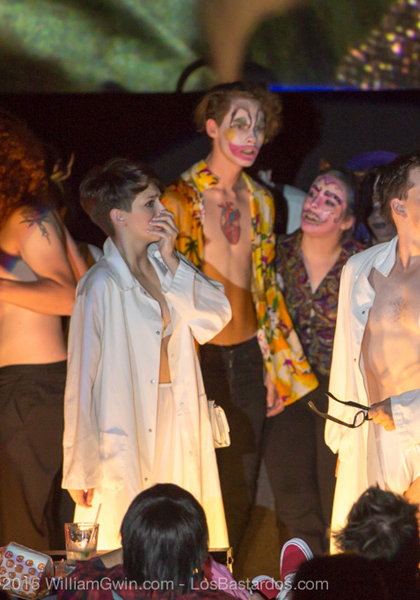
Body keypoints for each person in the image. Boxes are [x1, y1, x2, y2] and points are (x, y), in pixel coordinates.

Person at [161, 81, 318, 553]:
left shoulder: (262, 200)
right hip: (200, 359)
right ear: (212, 127)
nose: (252, 136)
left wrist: (274, 362)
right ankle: (195, 575)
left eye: (259, 126)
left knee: (243, 487)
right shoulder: (179, 199)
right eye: (240, 124)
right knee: (201, 480)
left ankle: (227, 576)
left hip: (249, 357)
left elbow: (265, 287)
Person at [324, 149, 420, 593]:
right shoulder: (360, 269)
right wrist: (342, 440)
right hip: (375, 437)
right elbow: (347, 358)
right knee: (372, 574)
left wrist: (409, 409)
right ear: (399, 206)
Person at [63, 158, 231, 550]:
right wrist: (79, 467)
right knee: (127, 541)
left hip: (179, 415)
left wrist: (171, 257)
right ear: (119, 216)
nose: (162, 212)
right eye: (150, 204)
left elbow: (216, 317)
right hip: (128, 423)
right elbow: (81, 380)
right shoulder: (100, 283)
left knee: (184, 534)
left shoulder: (167, 265)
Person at [0, 107, 87, 549]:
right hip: (11, 387)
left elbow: (69, 295)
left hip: (32, 387)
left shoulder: (27, 217)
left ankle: (24, 588)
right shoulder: (8, 220)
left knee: (19, 530)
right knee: (11, 525)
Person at [264, 167, 366, 554]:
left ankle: (337, 575)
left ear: (347, 220)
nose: (315, 203)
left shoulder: (362, 262)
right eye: (314, 193)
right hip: (287, 387)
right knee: (292, 494)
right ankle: (302, 574)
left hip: (340, 391)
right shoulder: (276, 253)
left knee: (336, 493)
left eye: (330, 200)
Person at [57, 484, 239, 600]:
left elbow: (75, 579)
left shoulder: (91, 590)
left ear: (126, 541)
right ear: (201, 551)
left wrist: (134, 546)